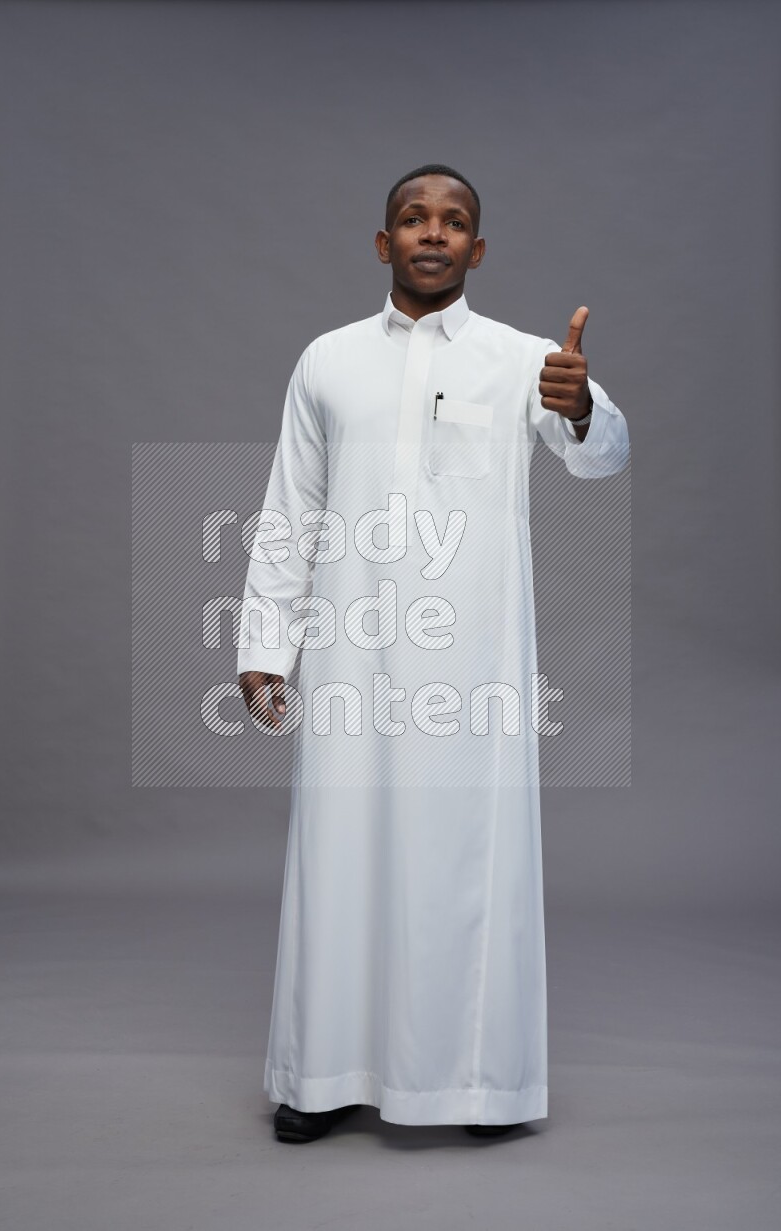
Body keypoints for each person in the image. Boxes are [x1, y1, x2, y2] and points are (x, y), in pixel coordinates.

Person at [237, 163, 629, 1143]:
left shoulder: (523, 358)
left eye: (453, 222)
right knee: (339, 858)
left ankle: (481, 1085)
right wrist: (263, 647)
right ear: (382, 244)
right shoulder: (325, 360)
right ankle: (318, 1076)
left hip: (473, 668)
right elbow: (293, 509)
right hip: (352, 659)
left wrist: (580, 407)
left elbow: (599, 453)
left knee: (469, 865)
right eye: (411, 218)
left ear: (476, 250)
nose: (431, 232)